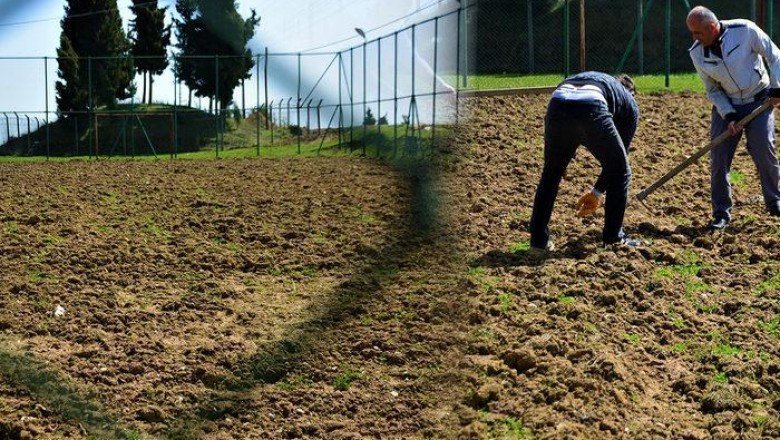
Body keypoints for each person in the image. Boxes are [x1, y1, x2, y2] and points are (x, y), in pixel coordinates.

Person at [686, 6, 780, 230]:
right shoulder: (697, 53)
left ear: (712, 27)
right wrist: (728, 114)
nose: (694, 38)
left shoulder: (745, 30)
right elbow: (712, 89)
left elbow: (774, 55)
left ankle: (775, 201)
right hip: (728, 104)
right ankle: (721, 212)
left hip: (759, 100)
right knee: (719, 157)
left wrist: (777, 88)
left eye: (697, 32)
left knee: (763, 148)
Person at [529, 71, 640, 254]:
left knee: (551, 173)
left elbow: (564, 111)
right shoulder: (630, 104)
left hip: (557, 102)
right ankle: (614, 239)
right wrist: (597, 192)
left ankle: (537, 242)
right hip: (591, 105)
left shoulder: (596, 80)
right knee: (621, 171)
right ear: (632, 94)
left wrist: (557, 159)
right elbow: (617, 166)